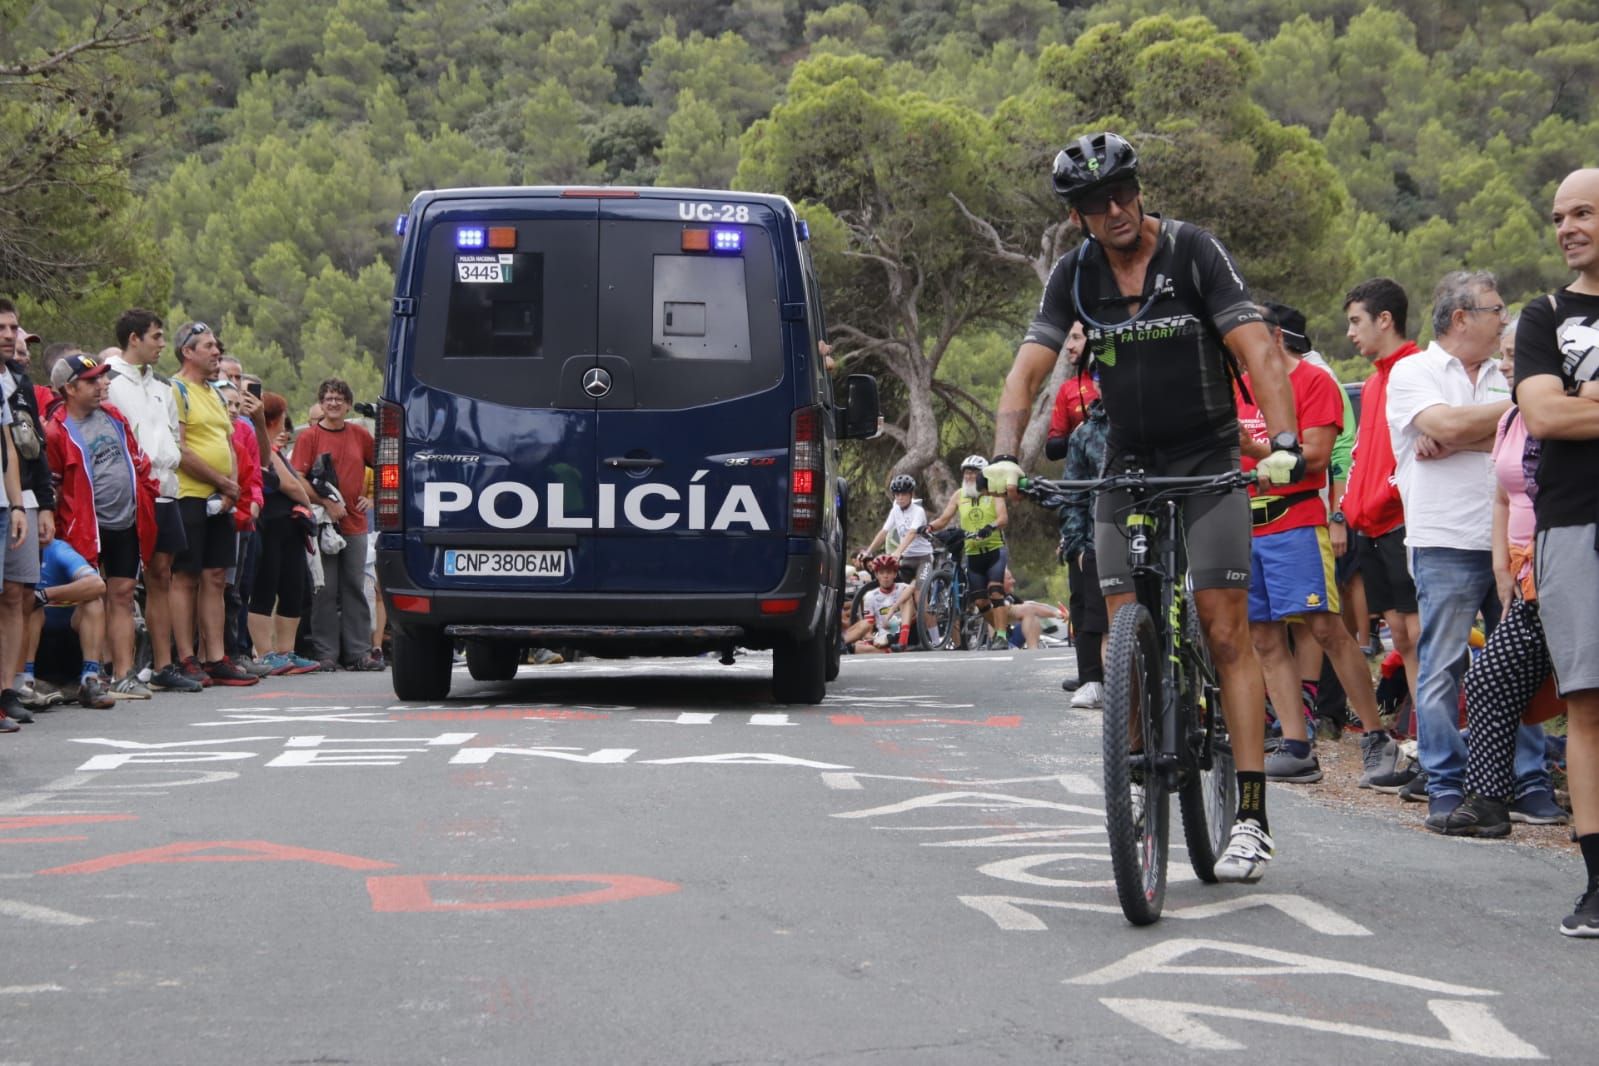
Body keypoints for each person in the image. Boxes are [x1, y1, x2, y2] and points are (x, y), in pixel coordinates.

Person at [986, 132, 1302, 883]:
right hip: (1125, 461)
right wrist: (1004, 452)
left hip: (1206, 456)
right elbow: (1024, 371)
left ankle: (1251, 815)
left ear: (1137, 188)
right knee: (1120, 619)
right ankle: (1135, 771)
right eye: (1095, 203)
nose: (1115, 208)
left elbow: (1256, 348)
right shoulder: (1075, 273)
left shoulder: (1193, 252)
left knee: (1227, 628)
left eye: (1123, 191)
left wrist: (1282, 436)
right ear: (1076, 217)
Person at [1384, 271, 1538, 830]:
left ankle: (1528, 780)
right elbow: (1446, 423)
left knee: (1521, 664)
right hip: (1443, 537)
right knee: (1442, 666)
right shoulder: (1413, 371)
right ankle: (1445, 782)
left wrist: (1465, 433)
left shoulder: (1507, 373)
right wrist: (1520, 408)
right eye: (1497, 309)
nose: (1505, 318)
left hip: (1515, 543)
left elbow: (1528, 430)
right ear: (1460, 318)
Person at [1236, 304, 1399, 787]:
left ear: (1276, 334)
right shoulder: (1237, 386)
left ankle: (1375, 737)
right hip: (1245, 524)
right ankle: (1296, 745)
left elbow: (1315, 457)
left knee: (1325, 627)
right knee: (1263, 636)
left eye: (1251, 336)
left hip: (1297, 519)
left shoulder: (1313, 381)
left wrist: (1254, 450)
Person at [1512, 167, 1599, 936]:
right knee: (1587, 704)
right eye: (1558, 216)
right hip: (1574, 526)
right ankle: (1597, 882)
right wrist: (1567, 407)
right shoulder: (1543, 316)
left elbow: (1564, 405)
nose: (1566, 226)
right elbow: (1541, 414)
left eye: (1583, 213)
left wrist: (1582, 402)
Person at [1444, 320, 1570, 837]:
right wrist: (1502, 563)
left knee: (1579, 694)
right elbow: (1502, 494)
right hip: (1524, 574)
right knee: (1490, 678)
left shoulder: (1563, 418)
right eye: (1504, 353)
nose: (1505, 364)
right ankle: (1490, 800)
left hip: (1569, 565)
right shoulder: (1512, 418)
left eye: (1517, 354)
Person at [45, 352, 161, 702]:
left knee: (123, 594)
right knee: (90, 596)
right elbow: (51, 483)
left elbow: (137, 459)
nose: (102, 385)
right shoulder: (55, 429)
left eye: (102, 378)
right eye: (92, 380)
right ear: (69, 388)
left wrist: (147, 492)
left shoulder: (113, 416)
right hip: (83, 528)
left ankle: (124, 674)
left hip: (125, 520)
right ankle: (85, 673)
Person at [1339, 279, 1423, 737]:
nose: (1351, 332)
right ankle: (1423, 743)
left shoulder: (1418, 370)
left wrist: (1387, 494)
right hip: (1369, 525)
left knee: (1420, 637)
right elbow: (1359, 454)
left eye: (1356, 321)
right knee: (1402, 637)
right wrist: (1352, 507)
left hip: (1403, 522)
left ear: (1384, 320)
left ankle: (1436, 748)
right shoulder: (1372, 384)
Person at [106, 310, 201, 693]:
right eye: (157, 337)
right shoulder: (109, 380)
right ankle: (120, 671)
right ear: (134, 338)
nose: (163, 345)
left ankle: (162, 664)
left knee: (162, 574)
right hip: (128, 492)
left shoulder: (163, 386)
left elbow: (172, 438)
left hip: (165, 489)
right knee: (122, 585)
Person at [169, 322, 257, 687]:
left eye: (217, 345)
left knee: (216, 577)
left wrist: (231, 487)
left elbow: (227, 442)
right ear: (187, 351)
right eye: (208, 346)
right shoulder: (176, 390)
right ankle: (186, 656)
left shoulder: (217, 393)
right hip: (189, 494)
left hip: (221, 498)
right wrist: (221, 482)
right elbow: (180, 447)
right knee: (186, 577)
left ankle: (216, 656)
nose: (216, 351)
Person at [292, 377, 382, 671]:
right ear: (321, 403)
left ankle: (359, 652)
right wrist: (325, 502)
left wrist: (372, 496)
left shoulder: (359, 435)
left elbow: (385, 465)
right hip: (323, 523)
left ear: (346, 405)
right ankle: (325, 653)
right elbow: (297, 478)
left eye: (339, 399)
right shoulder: (309, 437)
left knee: (355, 586)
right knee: (325, 589)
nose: (333, 403)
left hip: (355, 523)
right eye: (328, 398)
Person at [246, 393, 320, 675]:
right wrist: (307, 504)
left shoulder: (273, 448)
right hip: (271, 524)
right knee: (265, 587)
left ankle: (286, 650)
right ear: (277, 419)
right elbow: (290, 485)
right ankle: (265, 653)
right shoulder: (265, 447)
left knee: (294, 587)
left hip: (290, 527)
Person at [1057, 393, 1110, 708]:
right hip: (1095, 538)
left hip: (1147, 534)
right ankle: (1093, 681)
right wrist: (1075, 544)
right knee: (1092, 616)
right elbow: (1073, 492)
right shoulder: (1085, 432)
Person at [0, 301, 38, 729]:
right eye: (3, 328)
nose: (12, 336)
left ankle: (7, 691)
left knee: (16, 595)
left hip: (11, 502)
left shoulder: (16, 384)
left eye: (14, 327)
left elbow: (16, 449)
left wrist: (20, 504)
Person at [928, 456, 1010, 651]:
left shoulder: (994, 492)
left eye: (974, 472)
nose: (969, 476)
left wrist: (990, 527)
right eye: (966, 472)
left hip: (994, 550)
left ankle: (1001, 636)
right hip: (972, 553)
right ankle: (1001, 628)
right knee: (981, 602)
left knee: (995, 592)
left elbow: (1003, 518)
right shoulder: (959, 495)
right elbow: (944, 518)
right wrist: (928, 527)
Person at [853, 473, 933, 651]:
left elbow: (912, 533)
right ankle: (898, 635)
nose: (900, 497)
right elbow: (884, 531)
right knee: (895, 591)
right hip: (906, 559)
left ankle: (932, 639)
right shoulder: (895, 509)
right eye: (896, 494)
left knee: (920, 597)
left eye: (903, 494)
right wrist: (868, 551)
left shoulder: (918, 511)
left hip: (922, 558)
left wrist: (897, 552)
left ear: (911, 494)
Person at [31, 536, 111, 706]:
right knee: (27, 606)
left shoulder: (57, 550)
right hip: (27, 649)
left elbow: (97, 585)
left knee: (93, 602)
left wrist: (44, 595)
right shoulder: (9, 550)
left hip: (67, 644)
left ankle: (89, 680)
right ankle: (25, 681)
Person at [845, 554, 915, 653]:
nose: (885, 576)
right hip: (884, 638)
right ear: (877, 575)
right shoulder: (870, 596)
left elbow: (914, 585)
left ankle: (902, 643)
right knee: (859, 642)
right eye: (882, 572)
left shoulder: (903, 587)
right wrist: (874, 639)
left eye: (889, 572)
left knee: (906, 598)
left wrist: (892, 611)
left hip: (903, 634)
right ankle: (839, 644)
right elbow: (868, 629)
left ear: (895, 574)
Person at [1044, 322, 1098, 453]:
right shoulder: (1068, 388)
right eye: (1069, 339)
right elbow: (1052, 450)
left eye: (1076, 338)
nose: (1068, 346)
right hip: (1083, 471)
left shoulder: (1122, 377)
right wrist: (1079, 436)